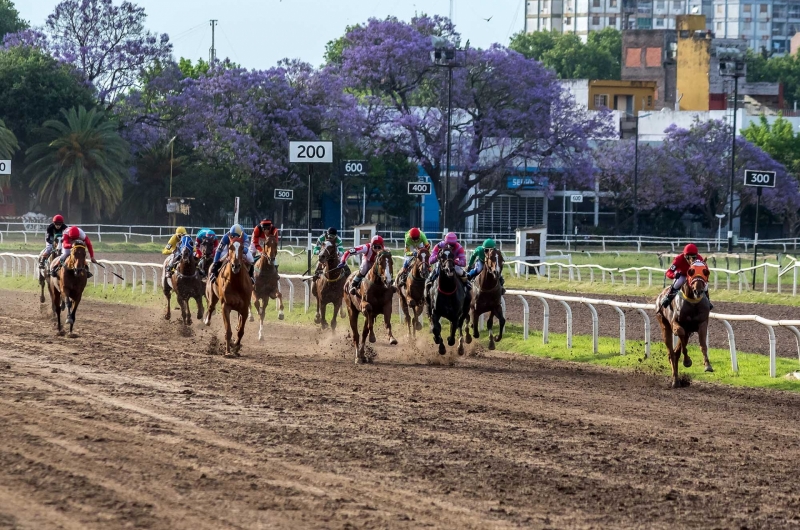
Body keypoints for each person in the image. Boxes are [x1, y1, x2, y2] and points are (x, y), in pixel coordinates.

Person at [661, 243, 713, 310]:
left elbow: (706, 271)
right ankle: (668, 298)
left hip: (694, 277)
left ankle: (707, 301)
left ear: (696, 256)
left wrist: (704, 279)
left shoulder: (700, 258)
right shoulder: (678, 259)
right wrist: (674, 275)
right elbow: (669, 272)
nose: (690, 259)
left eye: (693, 257)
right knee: (677, 283)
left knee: (705, 286)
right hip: (683, 275)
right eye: (687, 257)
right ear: (684, 255)